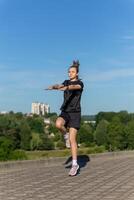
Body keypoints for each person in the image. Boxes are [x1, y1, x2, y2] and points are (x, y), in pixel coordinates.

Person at [45, 60, 84, 176]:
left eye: (72, 72)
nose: (70, 73)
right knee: (58, 124)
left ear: (76, 73)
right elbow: (61, 85)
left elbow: (74, 86)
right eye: (69, 72)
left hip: (75, 113)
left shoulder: (80, 84)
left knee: (73, 140)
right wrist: (54, 87)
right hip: (65, 111)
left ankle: (74, 164)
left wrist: (66, 88)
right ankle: (65, 136)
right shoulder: (66, 82)